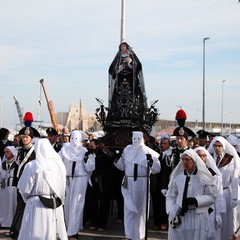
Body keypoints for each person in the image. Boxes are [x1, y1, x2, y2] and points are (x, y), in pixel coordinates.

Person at [17, 138, 68, 240]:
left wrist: (29, 199)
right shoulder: (58, 165)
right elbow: (62, 185)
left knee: (34, 230)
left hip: (36, 203)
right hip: (54, 202)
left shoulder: (32, 165)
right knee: (52, 230)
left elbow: (24, 189)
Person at [114, 131, 160, 240]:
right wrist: (117, 158)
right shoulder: (127, 151)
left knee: (141, 210)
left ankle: (140, 235)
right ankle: (129, 235)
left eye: (138, 139)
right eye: (134, 138)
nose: (136, 141)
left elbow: (157, 169)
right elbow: (121, 167)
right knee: (129, 209)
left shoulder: (149, 152)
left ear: (143, 139)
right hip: (129, 182)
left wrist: (151, 162)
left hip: (142, 183)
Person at [166, 149, 217, 240]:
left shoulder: (204, 177)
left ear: (194, 161)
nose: (185, 162)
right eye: (183, 159)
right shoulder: (178, 177)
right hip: (180, 215)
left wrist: (196, 200)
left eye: (188, 160)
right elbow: (171, 195)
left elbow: (212, 196)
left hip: (197, 216)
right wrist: (171, 210)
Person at [58, 130, 95, 239]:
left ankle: (73, 231)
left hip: (80, 179)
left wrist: (88, 159)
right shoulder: (64, 150)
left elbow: (90, 168)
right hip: (68, 179)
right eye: (72, 138)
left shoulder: (85, 152)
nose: (74, 142)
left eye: (77, 139)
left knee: (77, 205)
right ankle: (67, 228)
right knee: (68, 204)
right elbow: (58, 163)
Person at [7, 126, 37, 239]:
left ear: (31, 138)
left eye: (27, 137)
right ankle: (16, 230)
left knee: (27, 206)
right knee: (20, 205)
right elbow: (17, 168)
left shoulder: (34, 151)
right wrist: (15, 182)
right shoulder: (20, 150)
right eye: (23, 137)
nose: (24, 139)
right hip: (20, 182)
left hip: (30, 182)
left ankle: (20, 229)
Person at [108, 42, 147, 125]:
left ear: (127, 48)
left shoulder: (132, 56)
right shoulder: (118, 58)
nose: (123, 49)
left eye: (124, 47)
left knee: (133, 99)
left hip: (131, 81)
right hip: (120, 81)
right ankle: (118, 117)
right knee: (119, 100)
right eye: (121, 48)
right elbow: (111, 70)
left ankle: (135, 116)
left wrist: (131, 63)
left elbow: (139, 67)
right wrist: (118, 69)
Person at [208, 136, 239, 240]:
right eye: (215, 145)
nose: (217, 148)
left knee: (225, 220)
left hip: (225, 193)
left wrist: (234, 197)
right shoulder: (209, 159)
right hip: (212, 194)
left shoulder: (229, 160)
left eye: (220, 146)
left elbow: (234, 180)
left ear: (224, 147)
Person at [194, 146, 225, 240]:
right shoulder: (189, 173)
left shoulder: (214, 174)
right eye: (199, 156)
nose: (202, 158)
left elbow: (219, 195)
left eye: (204, 156)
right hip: (194, 209)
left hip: (210, 209)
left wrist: (219, 214)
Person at [151, 133, 172, 231]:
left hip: (166, 183)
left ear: (168, 145)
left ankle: (164, 222)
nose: (163, 145)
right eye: (162, 143)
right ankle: (157, 222)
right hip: (157, 182)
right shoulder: (157, 154)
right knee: (156, 203)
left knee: (164, 204)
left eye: (165, 144)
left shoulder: (171, 155)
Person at [0, 146, 18, 228]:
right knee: (4, 207)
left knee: (12, 207)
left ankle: (12, 223)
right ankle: (3, 223)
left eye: (8, 152)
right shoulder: (3, 164)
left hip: (13, 189)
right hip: (4, 190)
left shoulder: (17, 164)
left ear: (13, 153)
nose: (6, 153)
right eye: (5, 152)